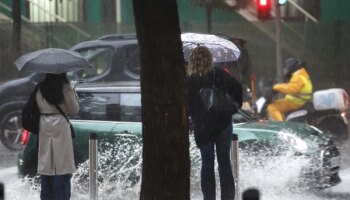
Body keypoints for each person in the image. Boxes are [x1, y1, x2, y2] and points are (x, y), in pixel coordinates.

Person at [186, 46, 243, 200]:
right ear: (210, 59)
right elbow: (237, 88)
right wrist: (235, 106)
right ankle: (227, 197)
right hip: (222, 124)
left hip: (203, 127)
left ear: (192, 61)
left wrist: (194, 119)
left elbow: (186, 105)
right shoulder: (218, 73)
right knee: (224, 162)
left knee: (207, 162)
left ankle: (209, 198)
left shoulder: (189, 80)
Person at [35, 73, 79, 200]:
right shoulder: (65, 87)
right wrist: (74, 93)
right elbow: (74, 110)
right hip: (60, 124)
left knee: (46, 166)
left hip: (44, 124)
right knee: (63, 167)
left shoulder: (40, 87)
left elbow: (36, 106)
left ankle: (46, 196)